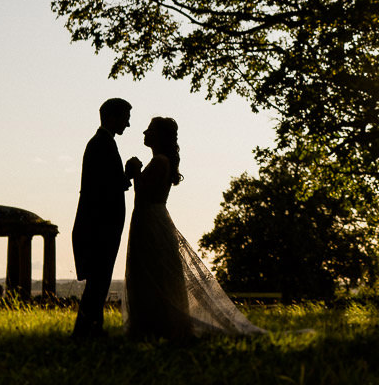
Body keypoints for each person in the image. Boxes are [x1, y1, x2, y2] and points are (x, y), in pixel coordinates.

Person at [123, 116, 267, 339]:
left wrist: (134, 173)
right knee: (148, 271)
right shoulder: (161, 160)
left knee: (153, 270)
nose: (144, 133)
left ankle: (159, 327)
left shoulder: (160, 161)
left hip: (151, 218)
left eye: (149, 130)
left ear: (159, 135)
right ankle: (151, 326)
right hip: (147, 217)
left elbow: (143, 193)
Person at [72, 97, 141, 339]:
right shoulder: (102, 144)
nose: (128, 125)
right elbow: (104, 187)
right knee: (98, 282)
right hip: (99, 226)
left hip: (98, 224)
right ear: (112, 117)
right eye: (126, 118)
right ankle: (83, 332)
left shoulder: (102, 143)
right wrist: (129, 174)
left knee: (98, 281)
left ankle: (92, 330)